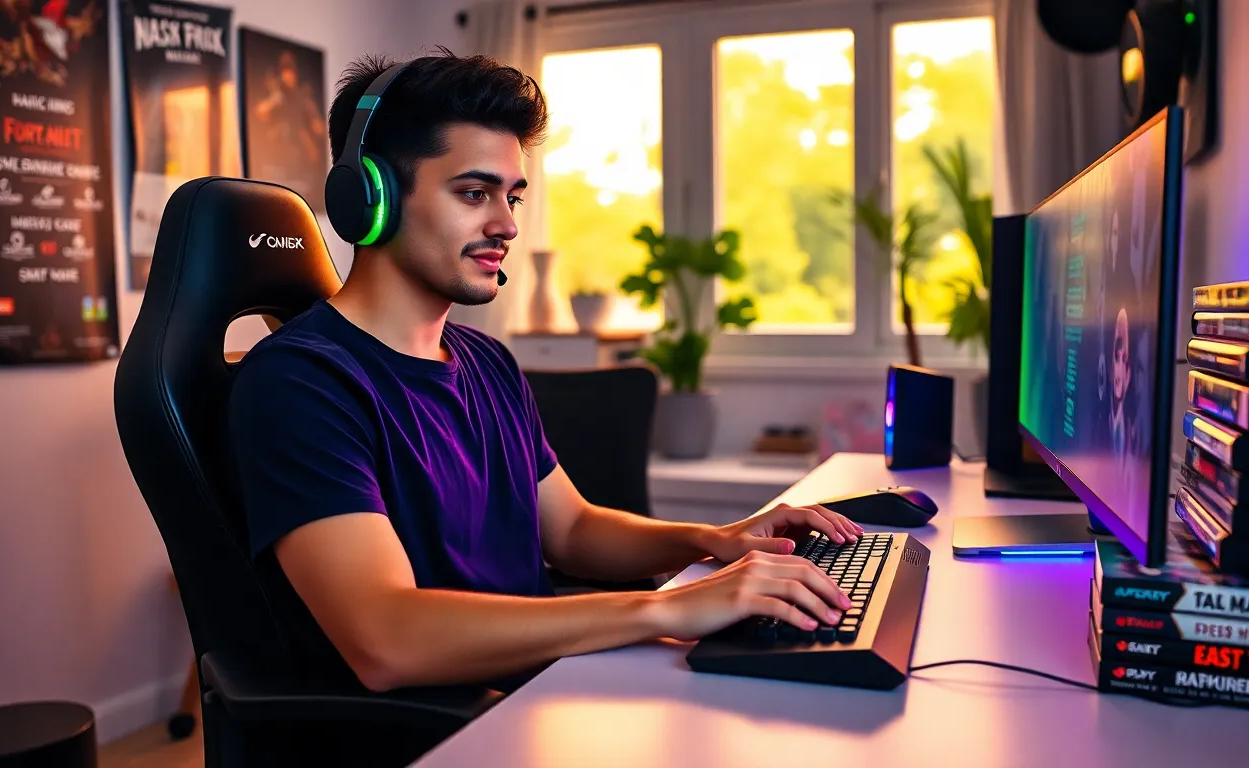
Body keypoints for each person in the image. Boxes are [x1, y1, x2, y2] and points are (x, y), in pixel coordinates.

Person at [226, 48, 860, 695]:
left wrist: (716, 539)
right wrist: (664, 610)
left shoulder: (486, 361)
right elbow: (388, 639)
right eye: (474, 193)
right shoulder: (301, 385)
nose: (505, 225)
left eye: (513, 196)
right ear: (370, 198)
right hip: (452, 729)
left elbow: (573, 530)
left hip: (544, 690)